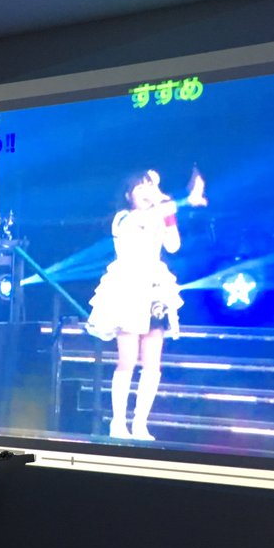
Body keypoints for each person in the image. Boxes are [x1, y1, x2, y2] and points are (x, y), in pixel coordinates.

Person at [86, 170, 184, 440]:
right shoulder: (123, 218)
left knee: (152, 363)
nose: (145, 192)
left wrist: (168, 213)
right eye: (139, 187)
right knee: (127, 360)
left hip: (155, 290)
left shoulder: (158, 215)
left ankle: (140, 424)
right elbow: (139, 226)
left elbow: (173, 245)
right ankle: (118, 423)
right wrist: (164, 202)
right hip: (128, 290)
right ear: (129, 195)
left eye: (148, 186)